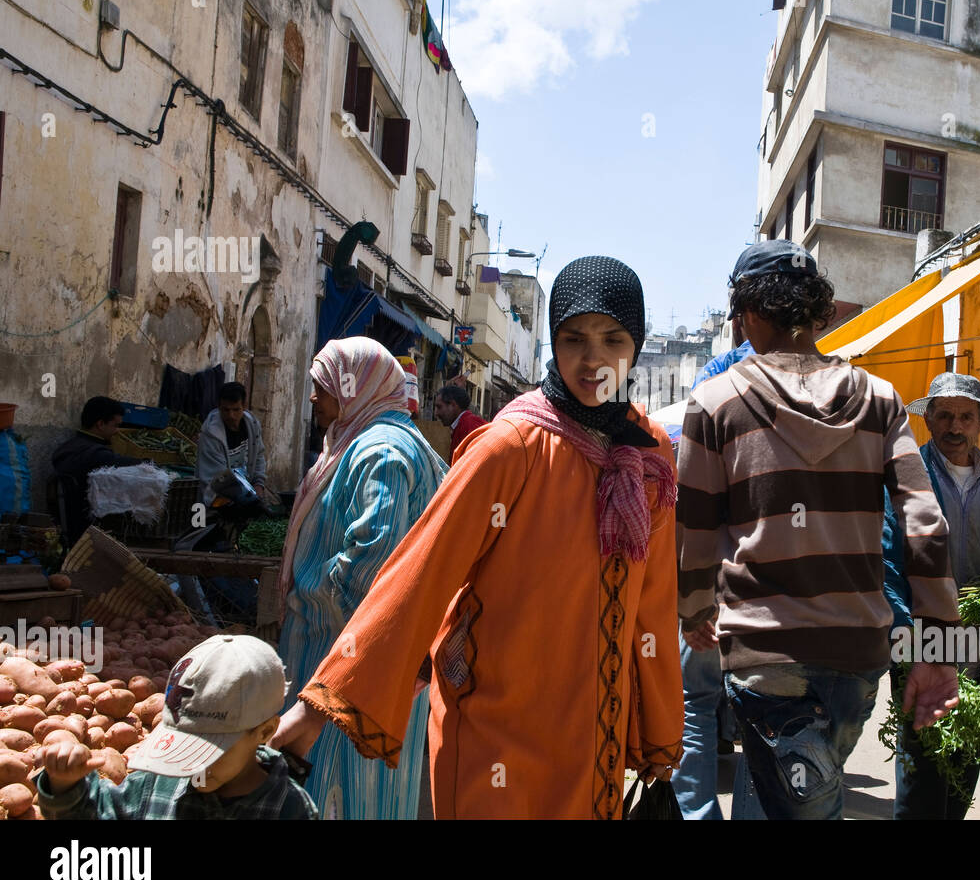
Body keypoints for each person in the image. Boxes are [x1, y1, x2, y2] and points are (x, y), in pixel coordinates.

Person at [273, 256, 683, 820]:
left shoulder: (649, 456)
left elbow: (654, 604)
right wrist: (315, 710)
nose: (593, 359)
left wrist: (659, 734)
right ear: (551, 344)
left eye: (613, 338)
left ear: (636, 345)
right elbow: (421, 572)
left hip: (594, 743)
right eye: (573, 338)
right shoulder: (511, 446)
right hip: (496, 733)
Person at [678, 240, 961, 820]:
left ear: (749, 313)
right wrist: (939, 650)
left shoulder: (713, 403)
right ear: (821, 313)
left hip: (764, 656)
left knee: (791, 805)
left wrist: (693, 609)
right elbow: (927, 525)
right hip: (857, 654)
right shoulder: (881, 402)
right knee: (802, 804)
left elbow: (696, 531)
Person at [274, 337, 449, 820]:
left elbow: (374, 559)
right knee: (371, 792)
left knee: (334, 788)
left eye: (322, 386)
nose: (313, 397)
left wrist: (317, 594)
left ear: (356, 387)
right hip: (374, 664)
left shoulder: (381, 451)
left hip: (346, 661)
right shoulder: (384, 441)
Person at [882, 372, 980, 819]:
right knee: (922, 765)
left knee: (964, 760)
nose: (954, 426)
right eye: (944, 415)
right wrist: (906, 636)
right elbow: (888, 564)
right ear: (927, 419)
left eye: (965, 417)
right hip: (921, 639)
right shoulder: (905, 481)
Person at [35, 635, 317, 819]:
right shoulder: (157, 783)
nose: (194, 765)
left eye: (209, 750)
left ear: (265, 732)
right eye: (185, 744)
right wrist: (65, 785)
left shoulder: (290, 809)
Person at [673, 316, 755, 821]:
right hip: (775, 594)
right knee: (764, 717)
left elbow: (692, 504)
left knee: (696, 708)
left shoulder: (713, 383)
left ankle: (699, 815)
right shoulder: (816, 384)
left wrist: (691, 600)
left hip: (711, 583)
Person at [50, 396, 144, 543]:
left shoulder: (69, 447)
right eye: (115, 425)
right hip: (86, 528)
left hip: (69, 524)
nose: (117, 431)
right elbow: (119, 462)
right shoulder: (95, 455)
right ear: (100, 424)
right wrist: (149, 463)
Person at [196, 381, 271, 504]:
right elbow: (217, 478)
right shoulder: (211, 434)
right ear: (219, 407)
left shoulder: (252, 426)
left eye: (236, 410)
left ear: (244, 406)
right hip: (217, 500)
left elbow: (258, 456)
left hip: (244, 495)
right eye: (226, 410)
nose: (231, 415)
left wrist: (258, 484)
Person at [433, 384, 487, 458]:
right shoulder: (462, 425)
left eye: (439, 407)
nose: (436, 413)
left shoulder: (469, 425)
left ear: (453, 405)